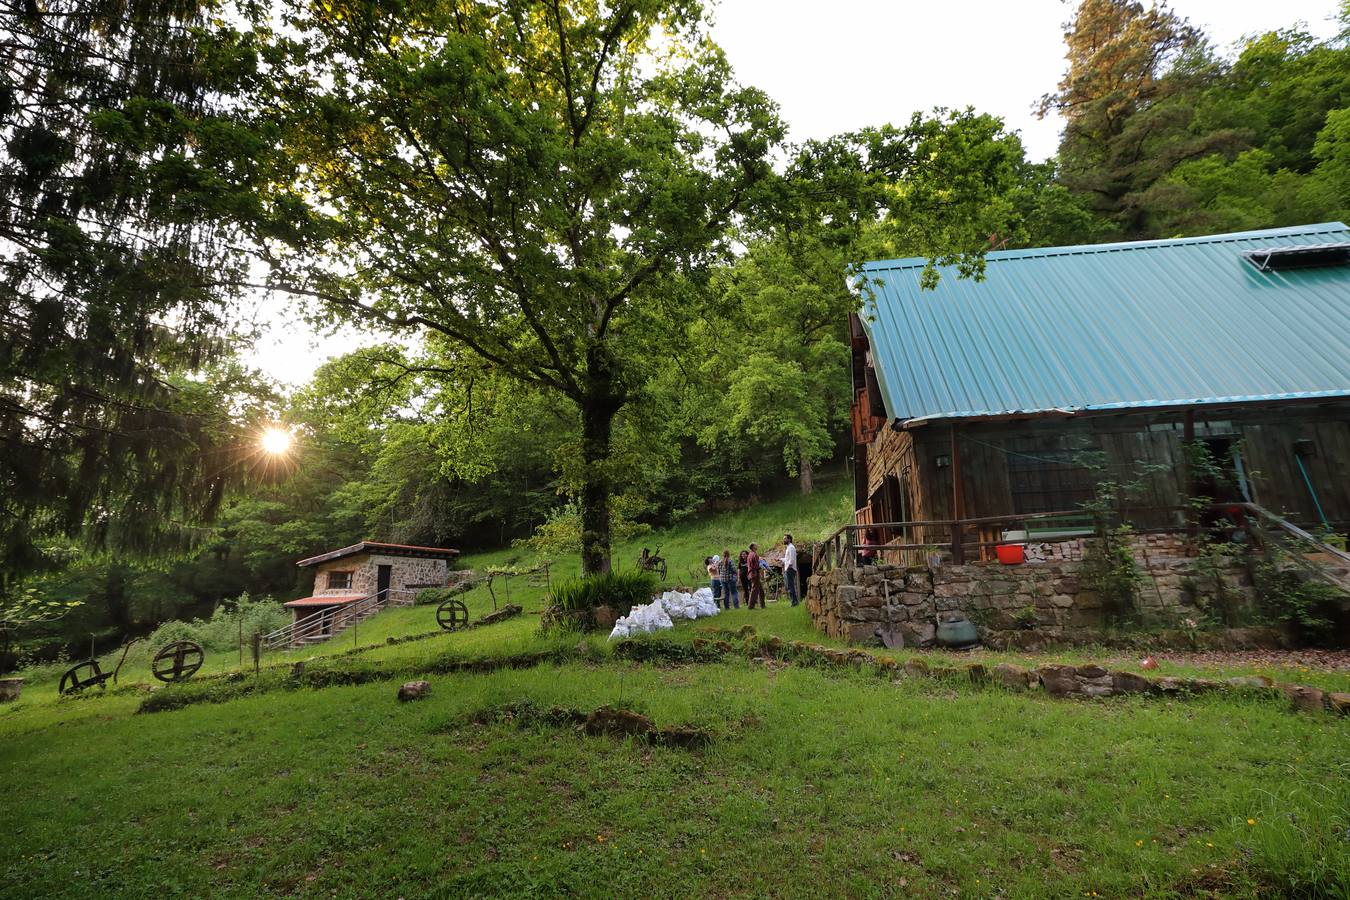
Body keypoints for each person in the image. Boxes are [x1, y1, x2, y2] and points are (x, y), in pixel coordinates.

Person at [746, 543, 764, 609]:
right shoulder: (754, 554)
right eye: (756, 545)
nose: (757, 546)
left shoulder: (750, 554)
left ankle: (762, 605)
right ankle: (750, 606)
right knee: (754, 590)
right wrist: (762, 565)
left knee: (761, 590)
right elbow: (756, 566)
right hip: (754, 574)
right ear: (753, 547)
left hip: (752, 574)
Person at [782, 533, 799, 606]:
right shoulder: (788, 547)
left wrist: (788, 567)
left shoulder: (791, 547)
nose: (784, 540)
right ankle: (794, 601)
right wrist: (780, 559)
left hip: (790, 569)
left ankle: (794, 601)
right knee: (789, 585)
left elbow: (791, 559)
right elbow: (787, 559)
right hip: (788, 568)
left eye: (785, 538)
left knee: (790, 585)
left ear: (789, 539)